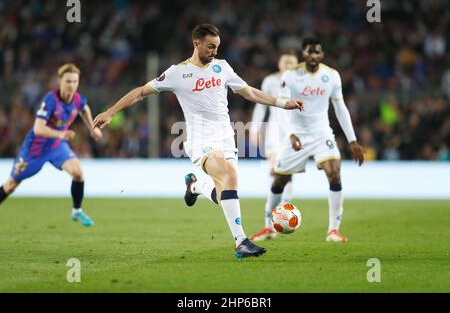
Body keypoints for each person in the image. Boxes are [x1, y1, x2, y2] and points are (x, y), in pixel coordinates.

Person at [93, 24, 303, 258]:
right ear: (196, 43)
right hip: (200, 140)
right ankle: (241, 242)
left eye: (217, 47)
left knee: (225, 190)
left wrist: (283, 103)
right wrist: (111, 112)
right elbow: (141, 92)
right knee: (229, 177)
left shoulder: (222, 67)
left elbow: (250, 92)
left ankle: (196, 186)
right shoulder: (177, 73)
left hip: (226, 138)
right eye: (211, 46)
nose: (214, 51)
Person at [252, 37, 365, 242]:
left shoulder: (331, 76)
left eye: (317, 52)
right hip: (296, 132)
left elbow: (340, 108)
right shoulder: (291, 76)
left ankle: (333, 230)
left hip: (322, 133)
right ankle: (268, 226)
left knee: (335, 173)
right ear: (303, 55)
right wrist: (290, 134)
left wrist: (353, 140)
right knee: (279, 180)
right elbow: (283, 107)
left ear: (322, 55)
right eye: (309, 52)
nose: (313, 56)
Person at [0, 63, 103, 226]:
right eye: (68, 81)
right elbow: (38, 128)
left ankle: (77, 211)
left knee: (78, 173)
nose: (72, 85)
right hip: (35, 149)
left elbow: (84, 108)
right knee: (11, 185)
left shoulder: (77, 99)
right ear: (60, 81)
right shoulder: (50, 100)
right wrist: (61, 134)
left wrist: (92, 128)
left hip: (56, 146)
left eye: (75, 82)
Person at [249, 51, 299, 242]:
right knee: (275, 172)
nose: (287, 64)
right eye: (284, 61)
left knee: (286, 174)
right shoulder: (270, 81)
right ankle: (271, 223)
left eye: (291, 62)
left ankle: (281, 214)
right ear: (279, 64)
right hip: (274, 133)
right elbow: (260, 105)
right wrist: (254, 129)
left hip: (295, 132)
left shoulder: (302, 82)